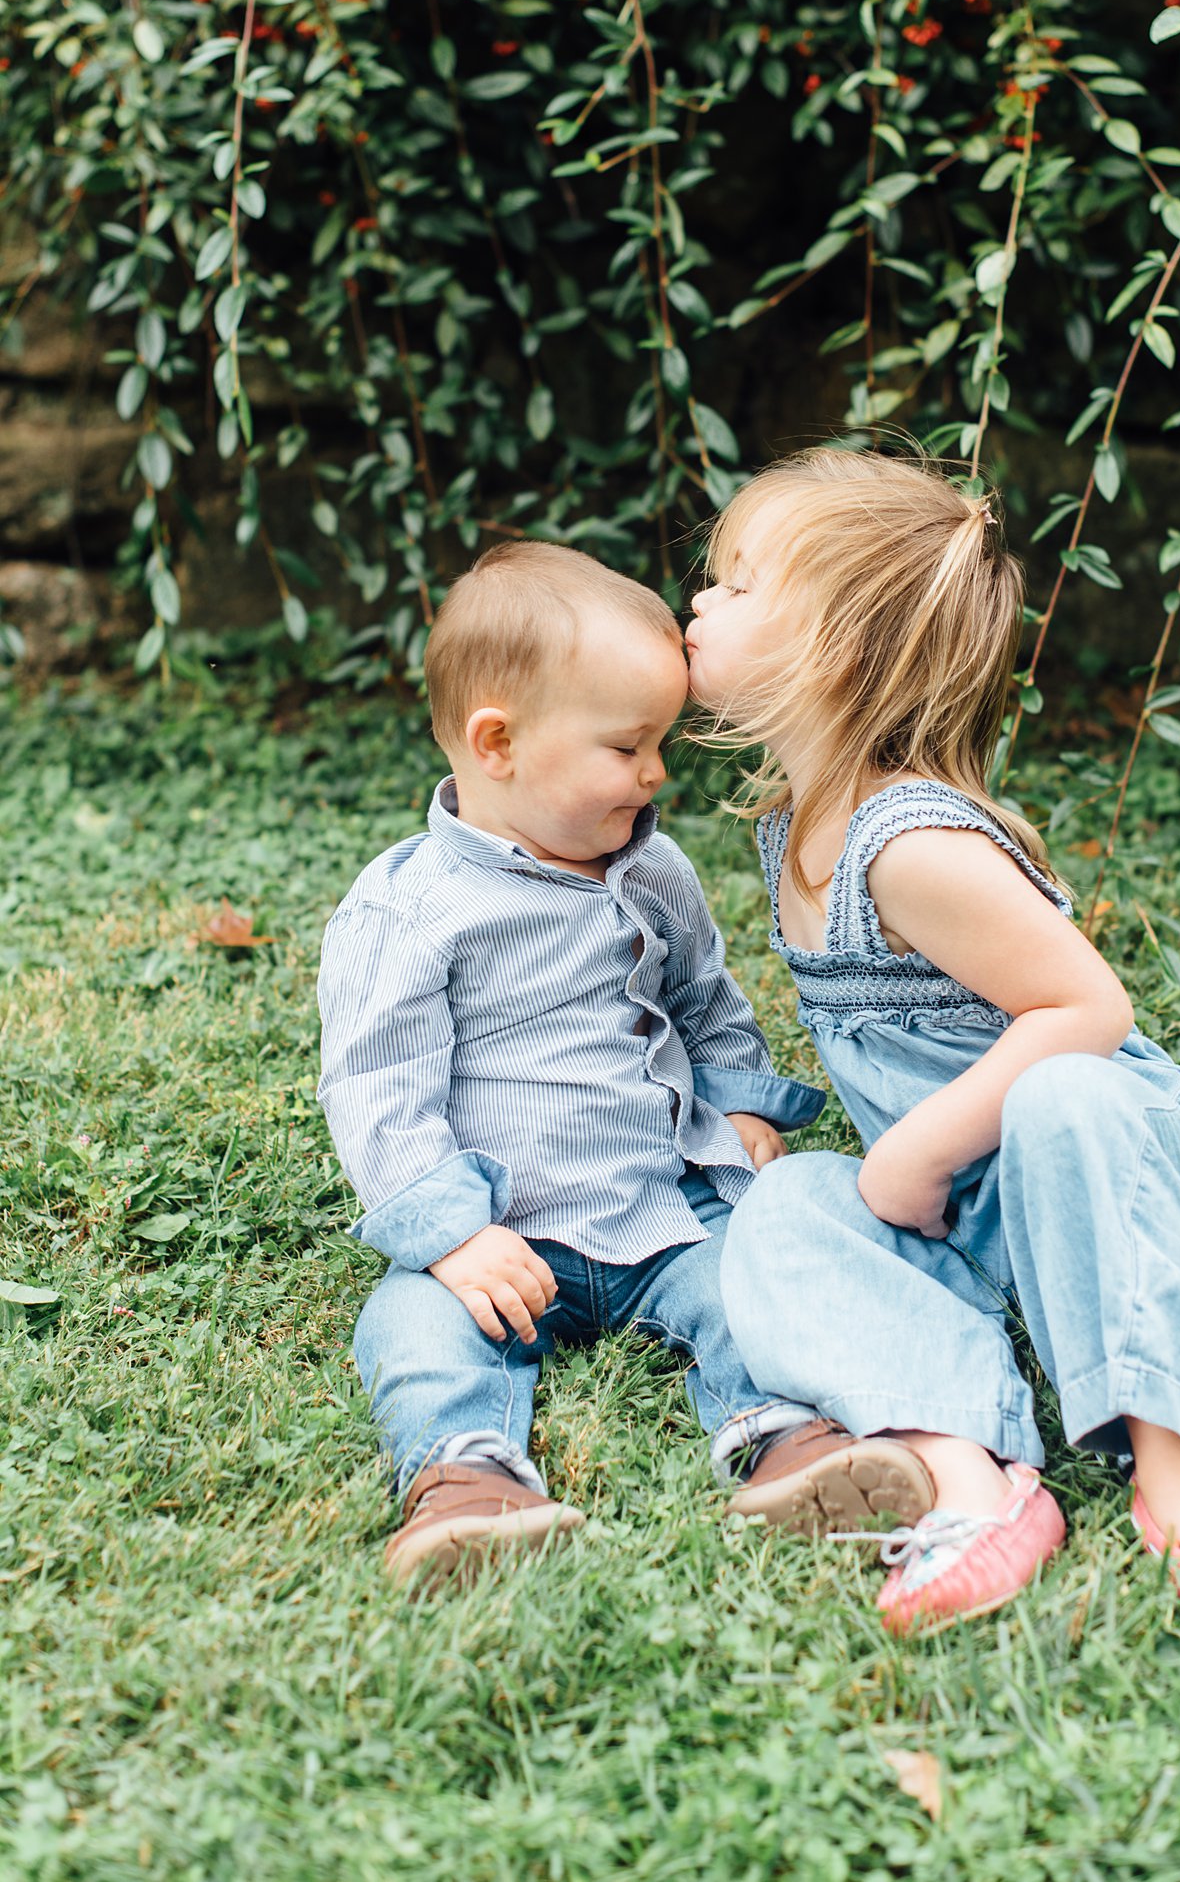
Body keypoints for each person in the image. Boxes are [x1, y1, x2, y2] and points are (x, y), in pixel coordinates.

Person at [687, 448, 1180, 1637]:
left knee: (1064, 1103)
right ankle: (971, 1472)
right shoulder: (788, 823)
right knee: (777, 1215)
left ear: (829, 646)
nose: (699, 603)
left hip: (1093, 1160)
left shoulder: (910, 843)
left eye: (735, 586)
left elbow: (1087, 1014)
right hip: (966, 1214)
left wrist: (921, 1148)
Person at [318, 540, 947, 1587]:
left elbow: (705, 999)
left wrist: (742, 1104)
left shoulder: (652, 868)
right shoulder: (410, 909)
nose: (656, 772)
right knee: (412, 1323)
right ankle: (463, 1474)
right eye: (627, 746)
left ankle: (788, 1438)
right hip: (503, 1229)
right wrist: (453, 1237)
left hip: (665, 1203)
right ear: (498, 743)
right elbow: (380, 1089)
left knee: (754, 1286)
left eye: (659, 743)